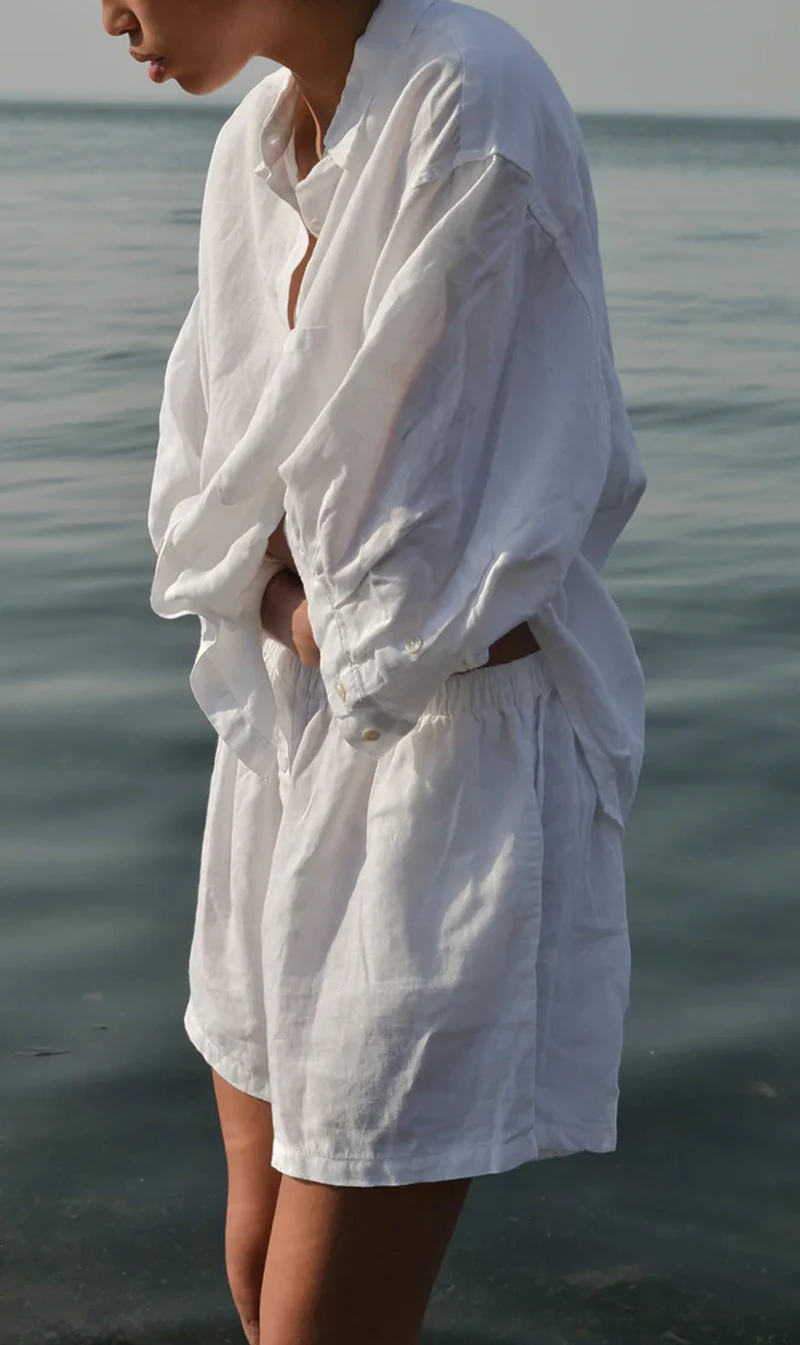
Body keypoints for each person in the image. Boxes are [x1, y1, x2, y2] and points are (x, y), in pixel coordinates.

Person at [101, 1, 647, 1341]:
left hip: (442, 776)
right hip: (275, 748)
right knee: (255, 1258)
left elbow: (404, 599)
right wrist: (285, 589)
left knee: (324, 1318)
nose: (106, 15)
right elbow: (197, 511)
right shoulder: (256, 140)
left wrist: (277, 585)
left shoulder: (472, 103)